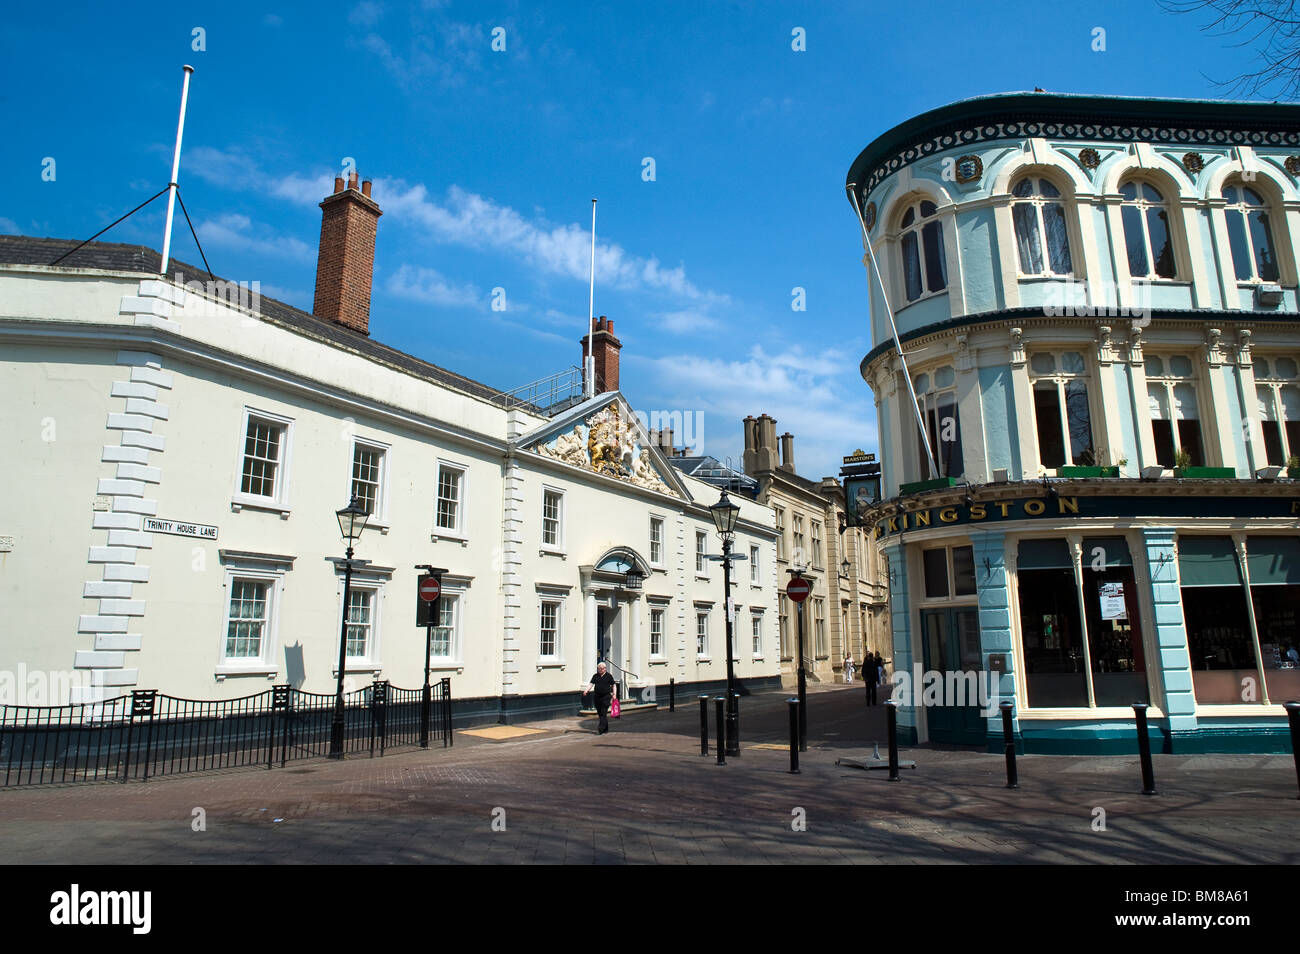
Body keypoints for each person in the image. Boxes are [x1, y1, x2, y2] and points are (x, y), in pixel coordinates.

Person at [586, 661, 617, 735]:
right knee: (600, 713)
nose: (599, 670)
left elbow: (614, 685)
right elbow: (591, 684)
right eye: (598, 668)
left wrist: (614, 694)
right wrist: (586, 690)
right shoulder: (595, 676)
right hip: (597, 696)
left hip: (606, 696)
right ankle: (605, 728)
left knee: (603, 712)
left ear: (605, 669)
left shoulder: (609, 676)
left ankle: (600, 728)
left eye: (601, 669)